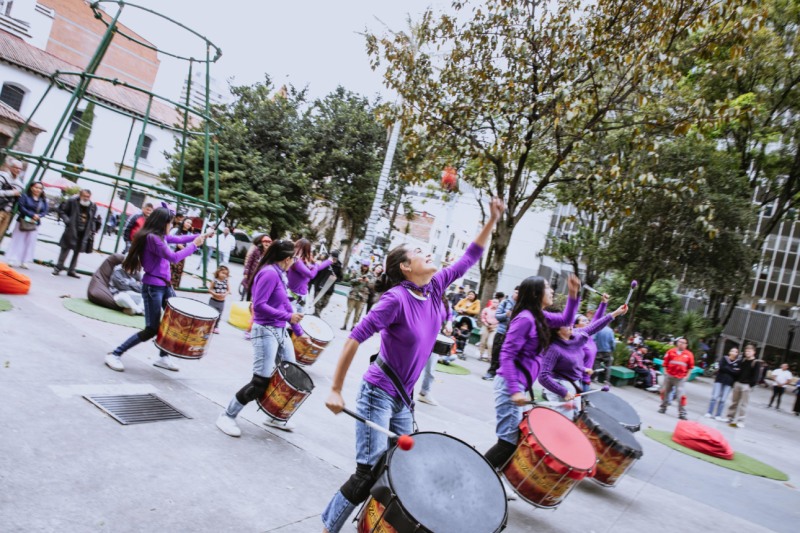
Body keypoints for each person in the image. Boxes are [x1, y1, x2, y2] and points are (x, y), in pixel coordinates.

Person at [320, 198, 503, 533]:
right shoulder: (395, 300)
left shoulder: (434, 288)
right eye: (419, 251)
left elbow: (470, 257)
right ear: (405, 267)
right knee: (369, 470)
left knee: (403, 468)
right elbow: (354, 338)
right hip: (378, 392)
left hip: (404, 399)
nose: (428, 252)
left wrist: (492, 220)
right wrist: (335, 388)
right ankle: (328, 527)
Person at [483, 274, 581, 470]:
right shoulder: (526, 319)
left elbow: (567, 318)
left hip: (518, 385)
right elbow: (507, 355)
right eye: (547, 287)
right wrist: (514, 390)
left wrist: (573, 294)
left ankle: (492, 478)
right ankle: (476, 477)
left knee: (514, 440)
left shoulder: (539, 316)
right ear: (536, 294)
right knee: (507, 443)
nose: (552, 291)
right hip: (510, 386)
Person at [216, 239, 311, 436]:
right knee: (260, 382)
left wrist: (300, 333)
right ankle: (227, 415)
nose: (295, 262)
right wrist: (288, 317)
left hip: (280, 331)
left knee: (289, 378)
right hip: (265, 331)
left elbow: (285, 305)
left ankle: (274, 416)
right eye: (294, 258)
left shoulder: (280, 273)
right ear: (287, 259)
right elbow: (258, 306)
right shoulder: (268, 273)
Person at [104, 207, 212, 373]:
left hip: (165, 286)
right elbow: (174, 257)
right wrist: (194, 245)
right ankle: (115, 354)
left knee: (172, 321)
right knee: (151, 329)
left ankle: (162, 357)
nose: (172, 225)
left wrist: (201, 236)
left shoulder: (159, 236)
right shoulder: (152, 239)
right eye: (170, 222)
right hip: (153, 288)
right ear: (163, 223)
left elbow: (178, 238)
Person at [539, 303, 626, 419]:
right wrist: (563, 392)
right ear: (556, 329)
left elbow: (594, 326)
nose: (570, 325)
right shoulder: (553, 349)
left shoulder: (576, 335)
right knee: (564, 424)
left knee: (575, 419)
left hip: (574, 384)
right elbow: (543, 376)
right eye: (565, 324)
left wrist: (616, 313)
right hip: (560, 386)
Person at [417, 295, 454, 407]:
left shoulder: (445, 300)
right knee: (412, 364)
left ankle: (424, 393)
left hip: (434, 337)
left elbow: (450, 314)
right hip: (419, 334)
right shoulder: (425, 294)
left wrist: (449, 323)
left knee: (430, 369)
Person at [52, 189, 96, 279]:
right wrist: (68, 221)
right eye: (84, 196)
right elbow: (63, 212)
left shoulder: (92, 205)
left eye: (87, 197)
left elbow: (93, 219)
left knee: (77, 252)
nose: (85, 198)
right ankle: (58, 267)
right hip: (71, 230)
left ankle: (71, 270)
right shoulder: (72, 201)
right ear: (80, 195)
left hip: (83, 232)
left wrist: (92, 229)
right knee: (65, 249)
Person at [4, 181, 47, 269]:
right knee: (17, 239)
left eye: (40, 188)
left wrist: (39, 216)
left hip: (35, 223)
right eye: (36, 187)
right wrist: (31, 215)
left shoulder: (43, 200)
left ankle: (25, 260)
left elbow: (45, 210)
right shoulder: (25, 196)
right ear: (31, 187)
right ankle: (12, 258)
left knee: (30, 242)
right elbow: (21, 207)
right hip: (23, 221)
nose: (37, 190)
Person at [287, 238, 332, 313]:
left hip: (302, 295)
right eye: (310, 250)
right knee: (292, 320)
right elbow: (311, 274)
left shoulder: (301, 261)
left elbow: (315, 268)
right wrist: (317, 264)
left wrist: (329, 261)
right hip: (294, 295)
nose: (311, 252)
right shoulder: (297, 261)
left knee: (300, 319)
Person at [483, 287, 518, 380]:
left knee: (507, 355)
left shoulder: (522, 305)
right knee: (496, 352)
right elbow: (497, 316)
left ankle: (501, 373)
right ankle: (492, 371)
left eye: (520, 293)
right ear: (513, 292)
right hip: (501, 331)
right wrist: (505, 315)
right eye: (516, 292)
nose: (517, 295)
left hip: (513, 333)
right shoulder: (505, 302)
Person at [576, 294, 609, 391]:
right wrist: (584, 369)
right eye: (584, 320)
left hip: (586, 380)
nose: (587, 322)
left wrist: (603, 303)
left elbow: (597, 319)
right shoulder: (575, 340)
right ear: (576, 325)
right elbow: (569, 361)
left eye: (587, 320)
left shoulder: (588, 336)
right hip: (575, 380)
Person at [658, 337, 694, 420]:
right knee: (665, 393)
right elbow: (665, 363)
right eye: (679, 342)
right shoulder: (670, 351)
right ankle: (663, 408)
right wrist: (665, 373)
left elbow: (690, 367)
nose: (681, 343)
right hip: (669, 376)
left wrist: (687, 376)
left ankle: (682, 414)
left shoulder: (689, 355)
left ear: (686, 345)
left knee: (681, 396)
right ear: (677, 343)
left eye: (683, 342)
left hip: (680, 378)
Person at [727, 345, 760, 428]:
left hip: (746, 385)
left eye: (749, 351)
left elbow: (756, 376)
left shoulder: (756, 362)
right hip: (738, 383)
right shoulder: (743, 360)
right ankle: (730, 417)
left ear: (754, 352)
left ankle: (741, 421)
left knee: (743, 404)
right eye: (747, 351)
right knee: (734, 402)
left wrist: (750, 385)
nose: (747, 353)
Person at [705, 347, 740, 420]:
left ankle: (718, 415)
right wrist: (731, 370)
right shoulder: (724, 358)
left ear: (737, 354)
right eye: (732, 351)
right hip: (719, 380)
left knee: (723, 399)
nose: (733, 353)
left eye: (735, 352)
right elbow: (721, 367)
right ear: (729, 352)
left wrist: (727, 368)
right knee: (714, 397)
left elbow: (737, 373)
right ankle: (709, 412)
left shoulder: (738, 362)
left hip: (729, 382)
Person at [0, 158, 24, 248]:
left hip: (8, 212)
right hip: (0, 209)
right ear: (9, 167)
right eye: (15, 168)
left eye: (20, 169)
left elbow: (19, 196)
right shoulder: (3, 177)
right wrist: (12, 192)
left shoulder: (20, 183)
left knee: (1, 234)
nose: (18, 170)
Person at [341, 261, 373, 330]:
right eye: (364, 266)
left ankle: (353, 326)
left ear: (368, 267)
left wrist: (368, 281)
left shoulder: (370, 275)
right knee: (349, 311)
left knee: (357, 313)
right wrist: (357, 279)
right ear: (361, 265)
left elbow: (371, 286)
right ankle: (345, 324)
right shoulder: (356, 272)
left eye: (366, 266)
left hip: (362, 296)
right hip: (353, 294)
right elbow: (350, 281)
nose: (365, 268)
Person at [242, 235, 272, 301]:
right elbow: (249, 260)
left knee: (257, 290)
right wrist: (246, 271)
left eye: (269, 242)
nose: (267, 243)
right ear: (262, 243)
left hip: (261, 275)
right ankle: (244, 300)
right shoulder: (257, 250)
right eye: (266, 242)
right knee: (248, 287)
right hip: (252, 273)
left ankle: (253, 303)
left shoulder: (270, 254)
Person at [313, 250, 343, 316]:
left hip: (329, 288)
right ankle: (316, 315)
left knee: (324, 303)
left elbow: (340, 278)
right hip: (321, 286)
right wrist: (316, 288)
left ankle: (317, 313)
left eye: (335, 259)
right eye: (333, 258)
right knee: (318, 303)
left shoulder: (338, 266)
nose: (334, 260)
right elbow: (317, 275)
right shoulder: (325, 263)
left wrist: (335, 278)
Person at [168, 216, 193, 288]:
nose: (189, 224)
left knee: (177, 274)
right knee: (168, 271)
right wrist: (177, 244)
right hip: (172, 254)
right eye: (187, 222)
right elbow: (168, 240)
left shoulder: (189, 235)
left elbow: (190, 249)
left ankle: (173, 288)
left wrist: (182, 247)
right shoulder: (175, 230)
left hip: (181, 257)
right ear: (183, 222)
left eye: (190, 224)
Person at [208, 265, 232, 334]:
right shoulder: (214, 281)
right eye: (223, 273)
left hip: (221, 302)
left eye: (226, 274)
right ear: (218, 272)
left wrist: (225, 294)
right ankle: (209, 326)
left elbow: (228, 290)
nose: (224, 275)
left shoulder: (226, 282)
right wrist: (215, 294)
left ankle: (216, 327)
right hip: (213, 300)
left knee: (219, 315)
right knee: (211, 314)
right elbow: (210, 290)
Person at [593, 319, 616, 384]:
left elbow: (594, 339)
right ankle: (606, 380)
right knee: (608, 366)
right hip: (607, 351)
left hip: (598, 350)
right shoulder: (610, 330)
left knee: (596, 364)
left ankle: (594, 378)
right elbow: (612, 341)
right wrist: (613, 349)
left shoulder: (598, 329)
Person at [478, 296, 500, 362]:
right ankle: (481, 354)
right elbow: (482, 317)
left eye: (496, 302)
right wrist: (486, 324)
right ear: (491, 302)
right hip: (486, 326)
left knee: (490, 343)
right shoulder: (486, 309)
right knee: (483, 341)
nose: (495, 303)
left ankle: (490, 356)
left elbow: (500, 320)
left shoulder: (499, 311)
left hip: (494, 327)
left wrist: (495, 326)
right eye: (494, 302)